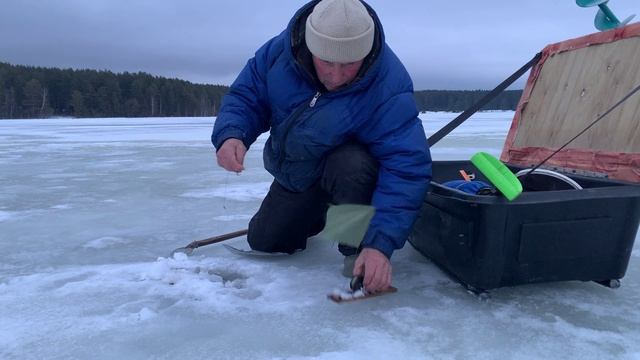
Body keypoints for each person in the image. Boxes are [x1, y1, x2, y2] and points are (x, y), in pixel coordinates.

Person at [211, 0, 432, 293]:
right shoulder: (280, 53)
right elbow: (247, 96)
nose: (336, 76)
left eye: (349, 64)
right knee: (265, 242)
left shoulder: (387, 85)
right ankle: (319, 216)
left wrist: (379, 244)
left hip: (347, 174)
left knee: (350, 164)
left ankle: (353, 245)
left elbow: (406, 166)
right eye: (327, 61)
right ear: (310, 48)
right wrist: (232, 134)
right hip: (299, 174)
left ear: (365, 55)